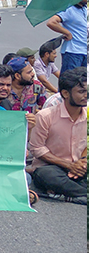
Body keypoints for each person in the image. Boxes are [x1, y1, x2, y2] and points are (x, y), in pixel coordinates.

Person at [29, 67, 87, 204]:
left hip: (79, 167)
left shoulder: (87, 115)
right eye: (81, 91)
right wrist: (68, 165)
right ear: (66, 94)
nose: (86, 95)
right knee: (47, 176)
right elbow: (37, 149)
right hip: (52, 167)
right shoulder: (46, 116)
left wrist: (82, 163)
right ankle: (82, 193)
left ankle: (72, 193)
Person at [46, 0, 87, 73]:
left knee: (83, 82)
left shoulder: (84, 9)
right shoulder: (69, 9)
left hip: (85, 51)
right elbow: (51, 22)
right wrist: (67, 33)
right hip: (73, 52)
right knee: (71, 81)